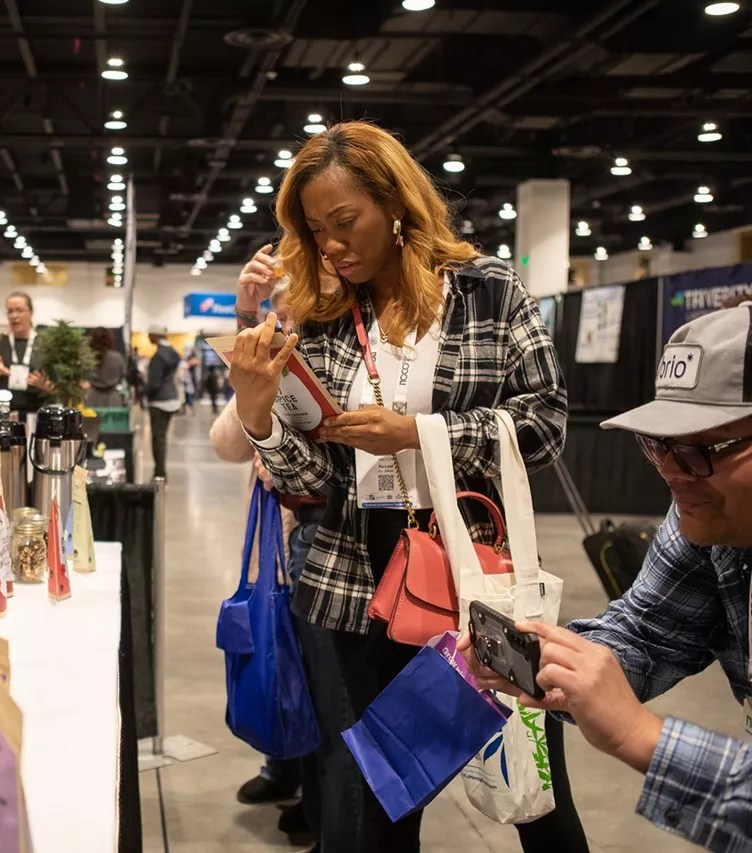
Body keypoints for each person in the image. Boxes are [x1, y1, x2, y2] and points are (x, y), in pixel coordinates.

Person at [227, 121, 585, 853]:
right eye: (314, 229)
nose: (329, 245)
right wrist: (262, 419)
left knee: (536, 794)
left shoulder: (489, 290)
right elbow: (317, 479)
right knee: (367, 808)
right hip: (348, 583)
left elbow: (546, 423)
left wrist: (418, 433)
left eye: (344, 221)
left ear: (394, 202)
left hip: (477, 577)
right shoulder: (326, 317)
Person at [460, 305, 752, 852]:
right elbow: (647, 630)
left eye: (698, 449)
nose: (669, 471)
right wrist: (543, 661)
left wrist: (637, 735)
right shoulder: (706, 517)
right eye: (658, 445)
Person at [212, 266, 325, 849]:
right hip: (274, 544)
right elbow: (226, 443)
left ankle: (308, 787)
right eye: (279, 310)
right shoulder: (272, 364)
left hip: (321, 541)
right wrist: (250, 379)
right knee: (273, 651)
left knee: (307, 668)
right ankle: (280, 768)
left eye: (295, 308)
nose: (288, 319)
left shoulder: (335, 365)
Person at [0, 291, 54, 419]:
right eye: (10, 311)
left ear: (31, 312)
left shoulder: (47, 345)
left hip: (34, 416)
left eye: (19, 310)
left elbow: (60, 388)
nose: (14, 316)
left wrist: (43, 385)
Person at [145, 326, 182, 480]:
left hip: (158, 402)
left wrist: (142, 391)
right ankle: (160, 470)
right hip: (171, 398)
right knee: (162, 437)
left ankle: (160, 472)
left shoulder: (158, 356)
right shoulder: (173, 353)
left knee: (158, 438)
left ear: (155, 336)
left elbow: (154, 383)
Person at [85, 327, 126, 408]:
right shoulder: (117, 358)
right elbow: (122, 376)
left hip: (93, 399)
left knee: (92, 420)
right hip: (113, 400)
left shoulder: (88, 358)